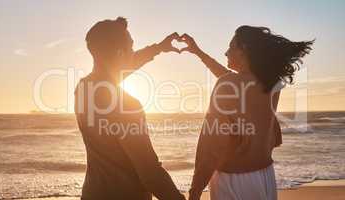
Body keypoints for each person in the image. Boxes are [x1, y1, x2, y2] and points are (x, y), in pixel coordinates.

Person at [180, 26, 313, 200]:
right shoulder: (271, 83)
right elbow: (231, 78)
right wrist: (198, 52)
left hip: (233, 180)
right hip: (265, 175)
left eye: (231, 47)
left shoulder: (228, 85)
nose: (226, 53)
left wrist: (195, 190)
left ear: (244, 51)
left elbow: (212, 146)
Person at [74, 17, 186, 200]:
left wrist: (158, 48)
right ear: (120, 53)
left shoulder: (83, 88)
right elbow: (149, 171)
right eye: (131, 47)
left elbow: (117, 69)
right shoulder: (126, 105)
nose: (133, 52)